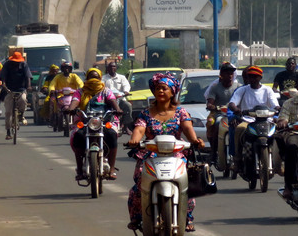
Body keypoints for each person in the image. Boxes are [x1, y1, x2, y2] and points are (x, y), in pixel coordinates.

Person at [126, 73, 204, 233]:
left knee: (186, 184)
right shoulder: (146, 113)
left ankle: (187, 217)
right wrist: (134, 140)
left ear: (172, 92)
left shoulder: (181, 112)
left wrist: (195, 141)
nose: (160, 91)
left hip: (176, 155)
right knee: (139, 185)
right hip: (151, 154)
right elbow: (139, 129)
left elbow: (188, 128)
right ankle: (137, 217)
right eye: (158, 88)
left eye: (164, 88)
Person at [67, 68, 122, 180]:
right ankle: (79, 169)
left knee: (111, 134)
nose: (94, 79)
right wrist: (71, 108)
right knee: (77, 135)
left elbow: (112, 100)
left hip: (104, 121)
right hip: (85, 121)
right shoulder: (80, 92)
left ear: (100, 78)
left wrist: (117, 109)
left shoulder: (106, 91)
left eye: (96, 77)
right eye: (91, 77)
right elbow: (75, 101)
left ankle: (111, 169)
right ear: (87, 78)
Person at [228, 65, 280, 172]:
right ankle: (237, 159)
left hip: (266, 121)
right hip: (248, 121)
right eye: (250, 76)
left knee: (279, 133)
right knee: (239, 129)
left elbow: (275, 105)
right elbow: (232, 103)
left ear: (260, 77)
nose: (253, 79)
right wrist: (236, 110)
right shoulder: (242, 90)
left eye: (255, 76)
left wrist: (279, 109)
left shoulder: (267, 90)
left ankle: (280, 161)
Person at [205, 62, 239, 162]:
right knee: (214, 123)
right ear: (221, 75)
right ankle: (213, 151)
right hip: (219, 114)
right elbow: (210, 103)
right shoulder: (215, 87)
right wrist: (214, 107)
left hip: (234, 114)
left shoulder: (238, 87)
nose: (230, 75)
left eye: (231, 73)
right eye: (227, 73)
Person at [0, 51, 32, 140]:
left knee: (23, 100)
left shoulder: (24, 65)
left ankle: (21, 115)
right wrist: (3, 85)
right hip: (9, 90)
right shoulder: (7, 65)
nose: (16, 63)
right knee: (8, 112)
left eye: (17, 62)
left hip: (21, 89)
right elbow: (3, 77)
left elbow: (28, 77)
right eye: (14, 62)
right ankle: (8, 132)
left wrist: (28, 86)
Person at [102, 60, 132, 132]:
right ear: (108, 68)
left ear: (116, 68)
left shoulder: (122, 77)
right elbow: (101, 86)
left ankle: (125, 126)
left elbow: (126, 85)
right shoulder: (103, 78)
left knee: (128, 106)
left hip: (120, 99)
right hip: (108, 101)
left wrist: (126, 91)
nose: (112, 68)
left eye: (114, 66)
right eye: (110, 67)